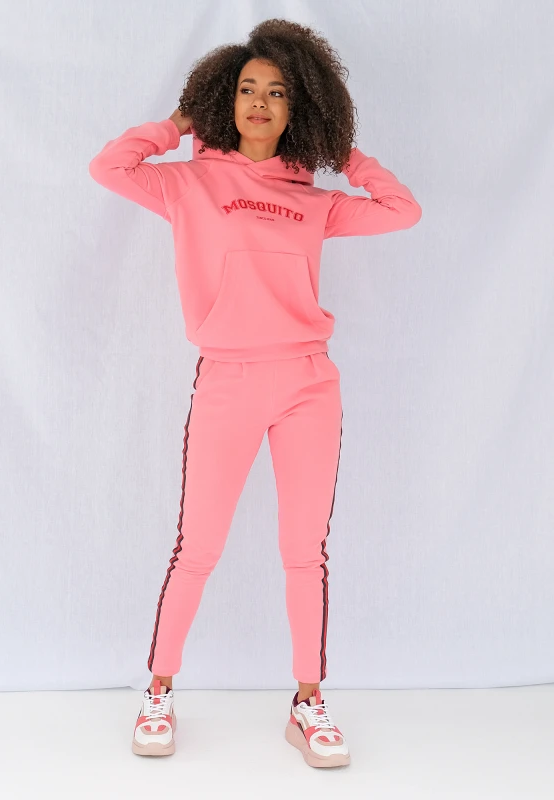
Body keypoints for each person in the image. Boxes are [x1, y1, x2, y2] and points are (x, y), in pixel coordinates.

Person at [88, 17, 422, 768]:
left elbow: (403, 210)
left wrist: (344, 151)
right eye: (246, 89)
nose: (260, 102)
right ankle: (159, 689)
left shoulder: (315, 199)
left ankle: (308, 703)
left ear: (299, 106)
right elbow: (109, 167)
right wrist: (177, 124)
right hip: (228, 381)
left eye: (278, 91)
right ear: (225, 99)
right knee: (198, 547)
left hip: (308, 384)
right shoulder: (188, 183)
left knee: (305, 551)